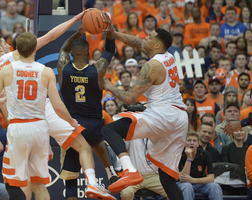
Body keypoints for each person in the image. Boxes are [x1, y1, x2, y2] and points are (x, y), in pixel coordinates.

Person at [0, 32, 114, 200]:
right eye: (5, 43)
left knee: (25, 183)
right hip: (41, 121)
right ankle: (93, 184)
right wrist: (71, 121)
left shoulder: (2, 72)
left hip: (19, 126)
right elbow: (58, 105)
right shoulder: (44, 71)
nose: (9, 46)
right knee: (82, 147)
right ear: (33, 50)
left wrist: (4, 99)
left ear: (18, 49)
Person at [102, 27, 188, 200]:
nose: (145, 38)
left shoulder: (152, 65)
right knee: (167, 180)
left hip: (163, 116)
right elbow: (137, 42)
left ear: (156, 45)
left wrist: (109, 86)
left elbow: (129, 98)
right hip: (179, 119)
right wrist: (115, 33)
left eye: (150, 37)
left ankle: (129, 170)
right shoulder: (167, 55)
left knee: (109, 130)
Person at [57, 20, 118, 200]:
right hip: (93, 124)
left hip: (73, 126)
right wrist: (110, 33)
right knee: (98, 143)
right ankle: (110, 173)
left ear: (72, 54)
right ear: (89, 53)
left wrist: (77, 33)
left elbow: (62, 49)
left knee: (70, 177)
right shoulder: (97, 69)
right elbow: (109, 51)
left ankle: (106, 175)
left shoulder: (64, 67)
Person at [177, 131, 223, 200]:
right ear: (184, 143)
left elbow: (211, 178)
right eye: (189, 140)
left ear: (198, 144)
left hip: (199, 184)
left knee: (215, 186)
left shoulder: (205, 154)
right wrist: (189, 158)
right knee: (187, 186)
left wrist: (193, 180)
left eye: (194, 141)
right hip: (182, 184)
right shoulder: (179, 154)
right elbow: (183, 178)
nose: (192, 143)